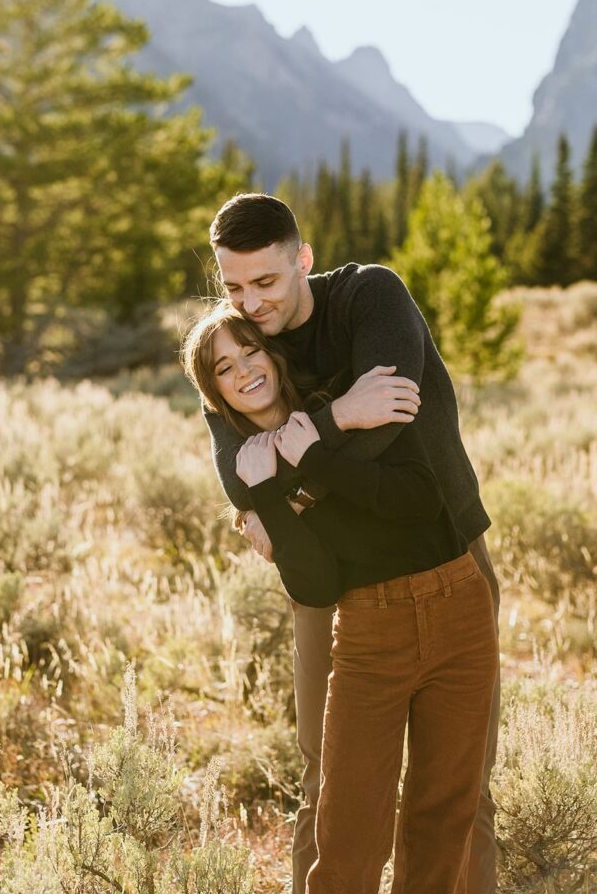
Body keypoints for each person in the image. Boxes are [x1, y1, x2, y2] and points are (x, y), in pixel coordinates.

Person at [202, 192, 500, 894]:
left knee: (461, 786)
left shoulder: (371, 295)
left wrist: (289, 465)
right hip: (333, 581)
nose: (250, 302)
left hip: (447, 552)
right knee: (327, 779)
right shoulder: (239, 346)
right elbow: (236, 475)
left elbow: (390, 425)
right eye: (233, 286)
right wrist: (339, 418)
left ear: (302, 259)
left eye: (267, 281)